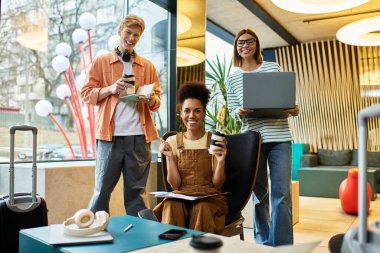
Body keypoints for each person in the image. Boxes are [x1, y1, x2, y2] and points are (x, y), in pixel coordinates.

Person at [81, 14, 161, 216]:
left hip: (139, 138)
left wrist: (149, 99)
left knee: (137, 195)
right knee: (101, 192)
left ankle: (138, 239)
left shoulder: (148, 66)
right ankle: (95, 236)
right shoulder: (101, 62)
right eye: (128, 33)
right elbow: (86, 94)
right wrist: (111, 89)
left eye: (136, 35)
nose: (131, 38)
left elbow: (157, 100)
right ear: (120, 32)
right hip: (109, 137)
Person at [226, 28, 299, 246]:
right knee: (260, 195)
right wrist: (239, 112)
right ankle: (263, 241)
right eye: (240, 43)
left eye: (249, 42)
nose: (245, 46)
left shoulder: (271, 67)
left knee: (282, 194)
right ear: (236, 47)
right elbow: (232, 109)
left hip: (279, 137)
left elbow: (285, 98)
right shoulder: (233, 78)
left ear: (256, 45)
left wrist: (294, 108)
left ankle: (282, 245)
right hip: (253, 140)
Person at [153, 82, 228, 234]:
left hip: (209, 197)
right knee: (172, 205)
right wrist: (169, 158)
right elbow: (175, 185)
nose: (191, 116)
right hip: (182, 194)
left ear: (204, 113)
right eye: (187, 111)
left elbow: (217, 183)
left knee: (202, 207)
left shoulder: (214, 140)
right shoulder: (173, 141)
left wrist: (221, 161)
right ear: (181, 114)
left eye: (197, 111)